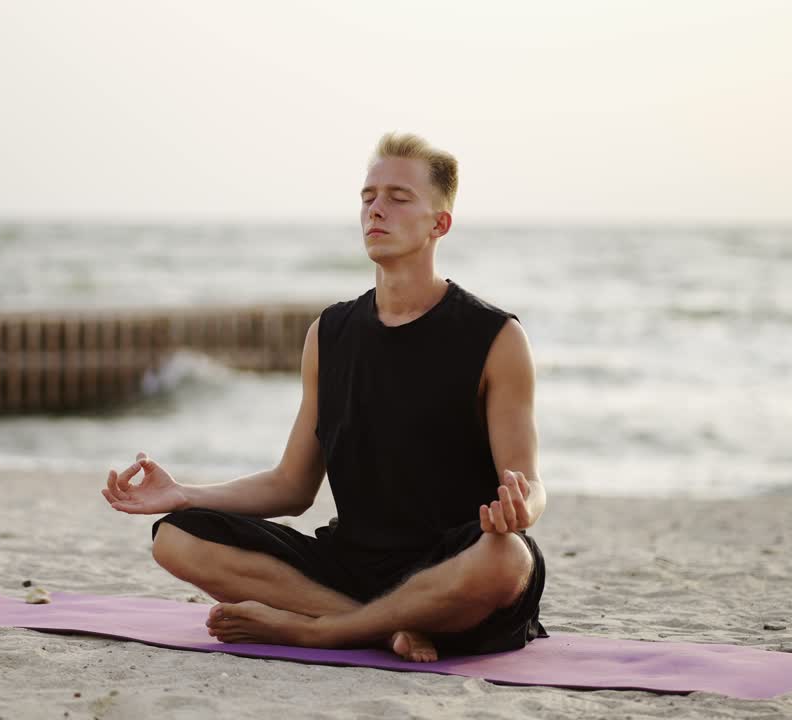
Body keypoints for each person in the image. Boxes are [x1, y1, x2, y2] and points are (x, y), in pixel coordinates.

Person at [102, 132, 548, 662]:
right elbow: (291, 486)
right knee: (174, 538)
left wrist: (521, 510)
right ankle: (379, 629)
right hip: (351, 566)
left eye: (398, 197)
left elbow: (530, 485)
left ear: (439, 223)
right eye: (367, 197)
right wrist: (183, 494)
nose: (376, 209)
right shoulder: (329, 333)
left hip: (452, 568)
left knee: (508, 560)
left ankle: (319, 631)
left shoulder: (496, 338)